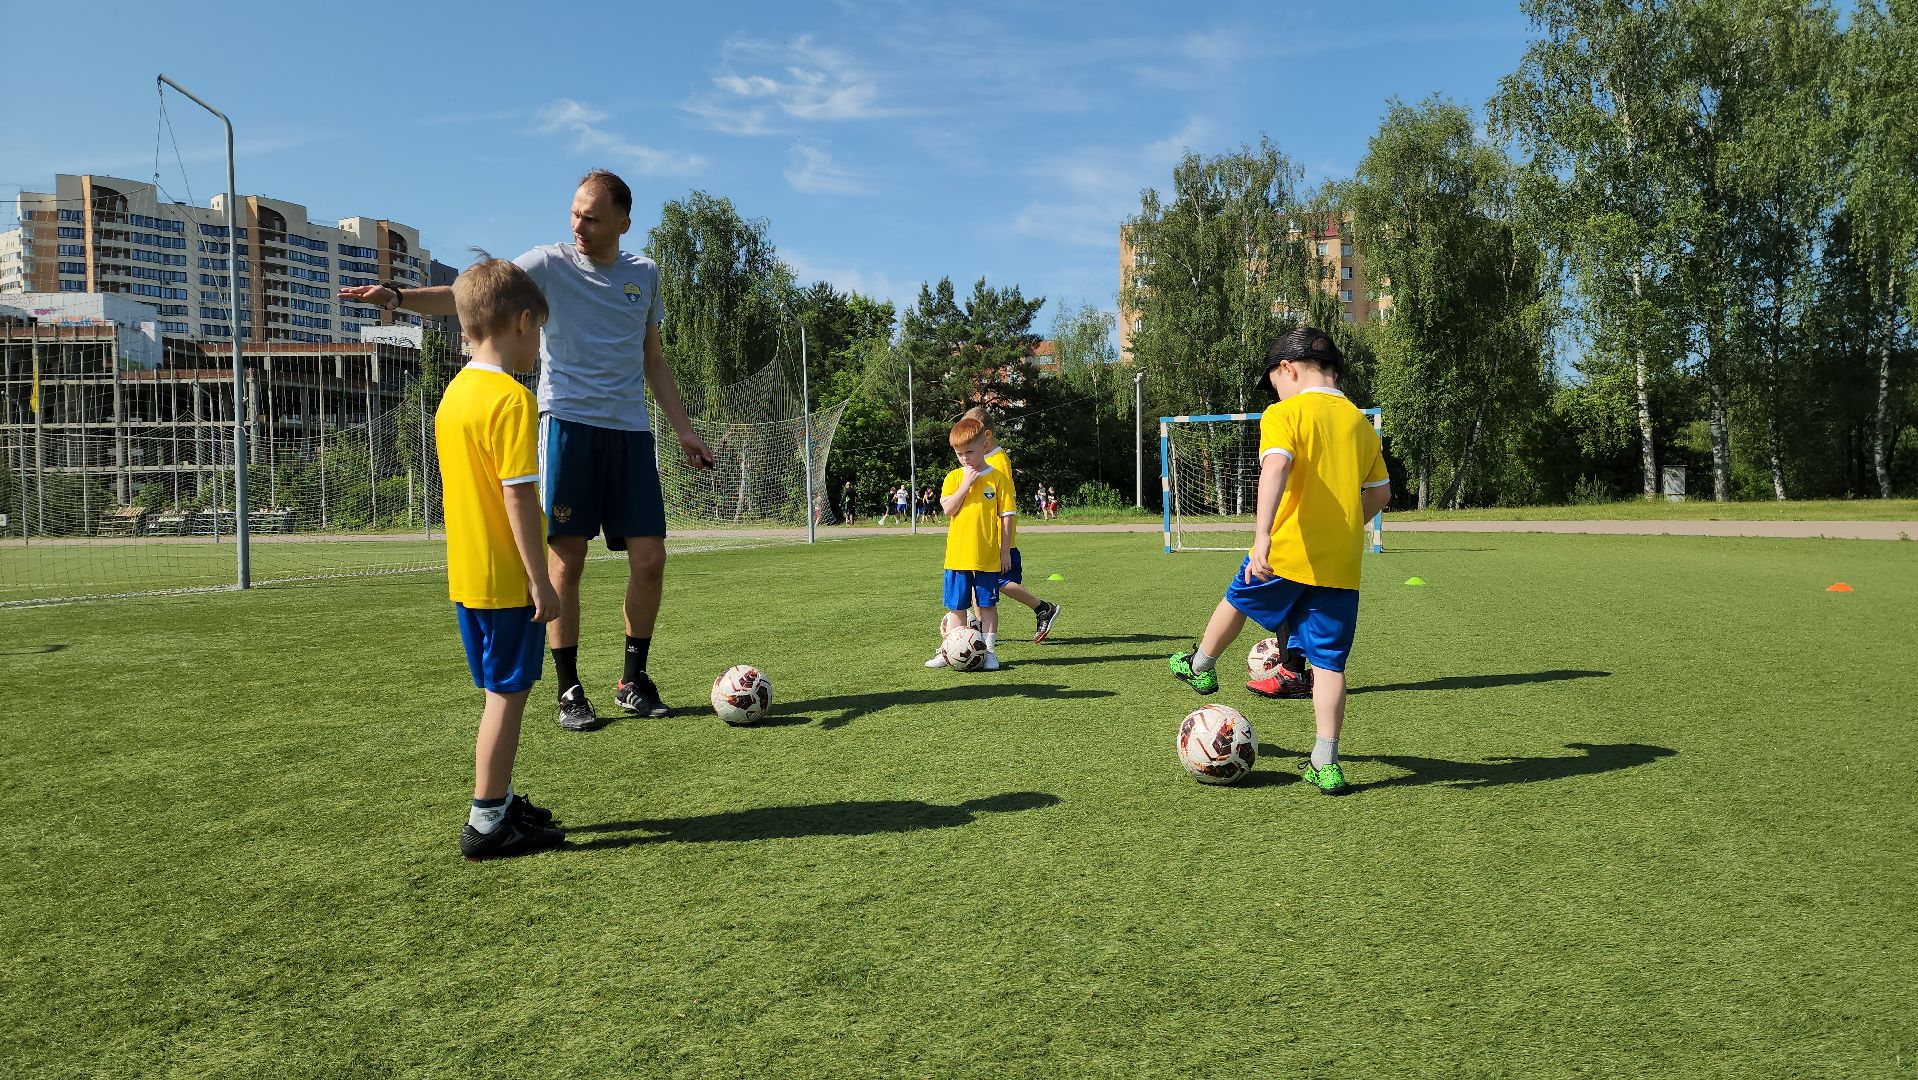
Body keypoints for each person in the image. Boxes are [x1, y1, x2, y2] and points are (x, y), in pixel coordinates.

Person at [342, 170, 714, 732]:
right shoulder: (547, 262)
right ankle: (569, 689)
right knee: (567, 562)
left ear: (623, 222)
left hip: (632, 434)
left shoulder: (645, 274)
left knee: (650, 559)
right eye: (574, 213)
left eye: (591, 216)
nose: (578, 225)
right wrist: (398, 297)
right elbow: (472, 295)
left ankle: (633, 679)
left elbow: (653, 360)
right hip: (568, 425)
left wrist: (683, 430)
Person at [1168, 327, 1391, 795]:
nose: (1275, 391)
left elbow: (1275, 467)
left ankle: (1202, 664)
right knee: (1329, 664)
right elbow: (1381, 494)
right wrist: (1348, 527)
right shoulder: (1359, 423)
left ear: (1288, 369)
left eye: (1274, 382)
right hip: (1341, 565)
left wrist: (1261, 537)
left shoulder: (1284, 413)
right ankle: (1325, 760)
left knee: (1239, 597)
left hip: (1289, 549)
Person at [434, 255, 564, 859]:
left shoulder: (453, 397)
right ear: (519, 322)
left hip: (467, 575)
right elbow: (517, 494)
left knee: (497, 691)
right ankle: (488, 819)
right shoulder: (510, 401)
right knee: (507, 696)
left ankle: (501, 801)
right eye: (538, 329)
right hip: (508, 578)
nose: (538, 343)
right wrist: (541, 580)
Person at [960, 406, 1061, 643]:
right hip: (982, 536)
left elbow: (1003, 504)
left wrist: (1003, 545)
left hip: (997, 537)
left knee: (1000, 582)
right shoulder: (985, 459)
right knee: (978, 581)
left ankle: (1043, 608)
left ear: (985, 436)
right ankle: (978, 629)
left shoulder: (997, 461)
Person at [926, 416, 1012, 672]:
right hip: (957, 555)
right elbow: (949, 510)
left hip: (987, 556)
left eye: (969, 452)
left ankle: (990, 652)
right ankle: (949, 650)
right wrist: (966, 484)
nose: (965, 458)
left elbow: (1006, 517)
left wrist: (1004, 550)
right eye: (959, 454)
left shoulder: (998, 479)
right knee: (957, 607)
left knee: (987, 606)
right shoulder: (953, 478)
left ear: (984, 446)